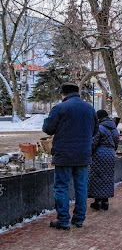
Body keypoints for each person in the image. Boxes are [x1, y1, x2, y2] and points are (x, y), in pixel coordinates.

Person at [43, 83, 98, 230]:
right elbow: (95, 130)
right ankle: (79, 219)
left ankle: (63, 220)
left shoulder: (60, 108)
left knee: (61, 187)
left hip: (64, 154)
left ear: (63, 94)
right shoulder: (89, 108)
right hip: (83, 154)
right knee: (81, 187)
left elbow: (48, 128)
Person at [88, 110, 119, 211]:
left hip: (99, 155)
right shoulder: (114, 128)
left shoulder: (99, 128)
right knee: (107, 177)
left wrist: (89, 152)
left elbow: (93, 143)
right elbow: (116, 142)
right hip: (110, 154)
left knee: (97, 177)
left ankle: (97, 202)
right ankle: (105, 202)